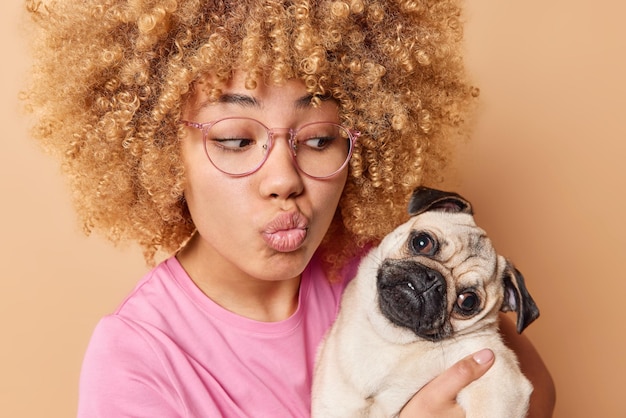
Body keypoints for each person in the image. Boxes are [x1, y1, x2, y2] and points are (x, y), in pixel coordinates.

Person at [23, 0, 555, 416]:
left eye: (319, 139)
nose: (283, 179)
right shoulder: (138, 358)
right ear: (159, 151)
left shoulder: (386, 269)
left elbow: (537, 392)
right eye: (234, 140)